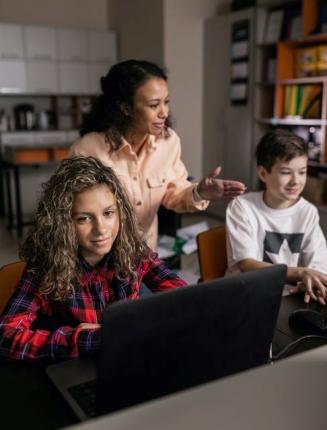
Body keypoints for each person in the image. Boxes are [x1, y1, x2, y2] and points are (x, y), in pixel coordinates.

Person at [0, 156, 187, 362]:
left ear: (120, 213)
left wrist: (134, 326)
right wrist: (87, 338)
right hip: (73, 369)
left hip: (127, 359)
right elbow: (6, 335)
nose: (101, 229)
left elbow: (183, 298)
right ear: (63, 224)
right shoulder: (45, 267)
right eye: (84, 218)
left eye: (108, 213)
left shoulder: (132, 248)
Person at [70, 59, 246, 249]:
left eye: (166, 102)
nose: (164, 112)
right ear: (125, 108)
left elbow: (174, 194)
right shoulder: (86, 151)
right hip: (100, 258)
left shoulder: (168, 142)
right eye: (154, 105)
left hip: (144, 254)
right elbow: (75, 216)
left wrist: (200, 192)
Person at [226, 128, 327, 305]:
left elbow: (318, 264)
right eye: (286, 172)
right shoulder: (242, 207)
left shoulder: (308, 212)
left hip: (293, 297)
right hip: (248, 296)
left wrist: (311, 279)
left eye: (302, 172)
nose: (296, 181)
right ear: (263, 173)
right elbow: (247, 264)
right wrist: (301, 273)